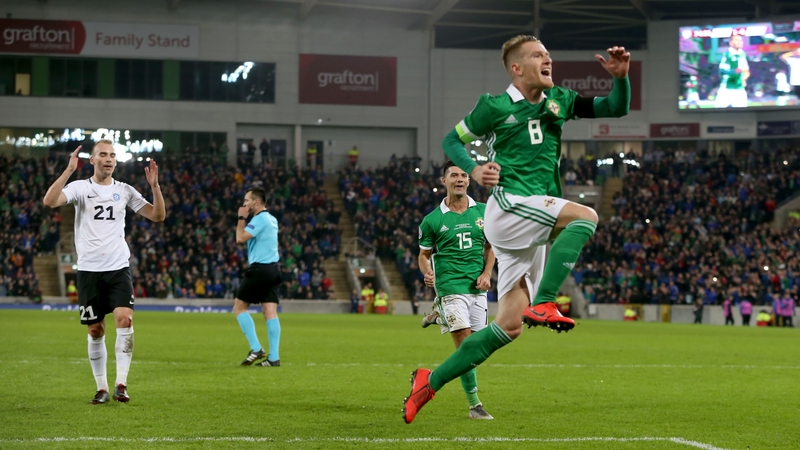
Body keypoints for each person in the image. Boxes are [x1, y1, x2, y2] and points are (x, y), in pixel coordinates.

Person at [403, 35, 631, 423]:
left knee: (509, 326)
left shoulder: (560, 100)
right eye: (538, 55)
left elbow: (615, 108)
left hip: (533, 222)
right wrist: (474, 169)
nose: (548, 59)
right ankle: (546, 301)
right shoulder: (494, 106)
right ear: (517, 68)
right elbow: (451, 139)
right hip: (509, 207)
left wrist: (621, 78)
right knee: (586, 217)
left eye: (548, 54)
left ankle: (429, 382)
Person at [42, 141, 165, 404]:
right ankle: (102, 388)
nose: (108, 159)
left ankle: (121, 384)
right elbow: (50, 201)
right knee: (96, 330)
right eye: (103, 155)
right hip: (89, 271)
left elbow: (157, 216)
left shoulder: (125, 190)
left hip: (118, 267)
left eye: (112, 155)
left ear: (115, 161)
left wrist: (155, 187)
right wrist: (69, 170)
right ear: (93, 160)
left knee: (125, 320)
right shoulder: (80, 188)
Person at [417, 161, 497, 420]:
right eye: (454, 175)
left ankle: (439, 315)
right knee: (464, 346)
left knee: (477, 351)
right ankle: (475, 405)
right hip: (450, 286)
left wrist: (487, 273)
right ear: (445, 181)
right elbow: (423, 254)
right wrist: (427, 271)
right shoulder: (433, 220)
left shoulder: (484, 211)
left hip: (476, 288)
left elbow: (492, 246)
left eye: (464, 175)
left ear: (469, 181)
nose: (460, 179)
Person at [234, 187, 283, 367]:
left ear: (256, 202)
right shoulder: (272, 219)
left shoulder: (259, 219)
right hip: (274, 269)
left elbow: (240, 238)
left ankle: (256, 348)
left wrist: (241, 218)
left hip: (260, 270)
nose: (244, 204)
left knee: (239, 308)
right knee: (270, 312)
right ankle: (274, 358)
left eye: (247, 200)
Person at [714, 34, 749, 108]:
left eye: (741, 40)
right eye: (737, 40)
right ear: (731, 42)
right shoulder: (727, 55)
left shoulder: (742, 54)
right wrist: (734, 72)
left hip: (739, 88)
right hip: (727, 88)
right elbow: (721, 71)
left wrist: (744, 78)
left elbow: (746, 71)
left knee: (743, 112)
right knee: (718, 111)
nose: (739, 42)